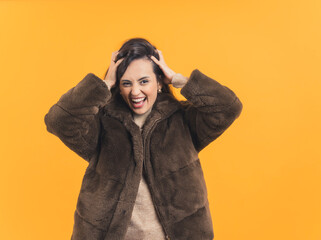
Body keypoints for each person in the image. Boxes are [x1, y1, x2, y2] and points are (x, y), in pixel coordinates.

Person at [44, 37, 243, 240]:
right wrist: (105, 84)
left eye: (144, 81)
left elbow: (228, 107)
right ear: (119, 88)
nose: (135, 92)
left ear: (159, 83)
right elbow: (58, 121)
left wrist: (177, 79)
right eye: (126, 83)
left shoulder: (183, 120)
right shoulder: (101, 124)